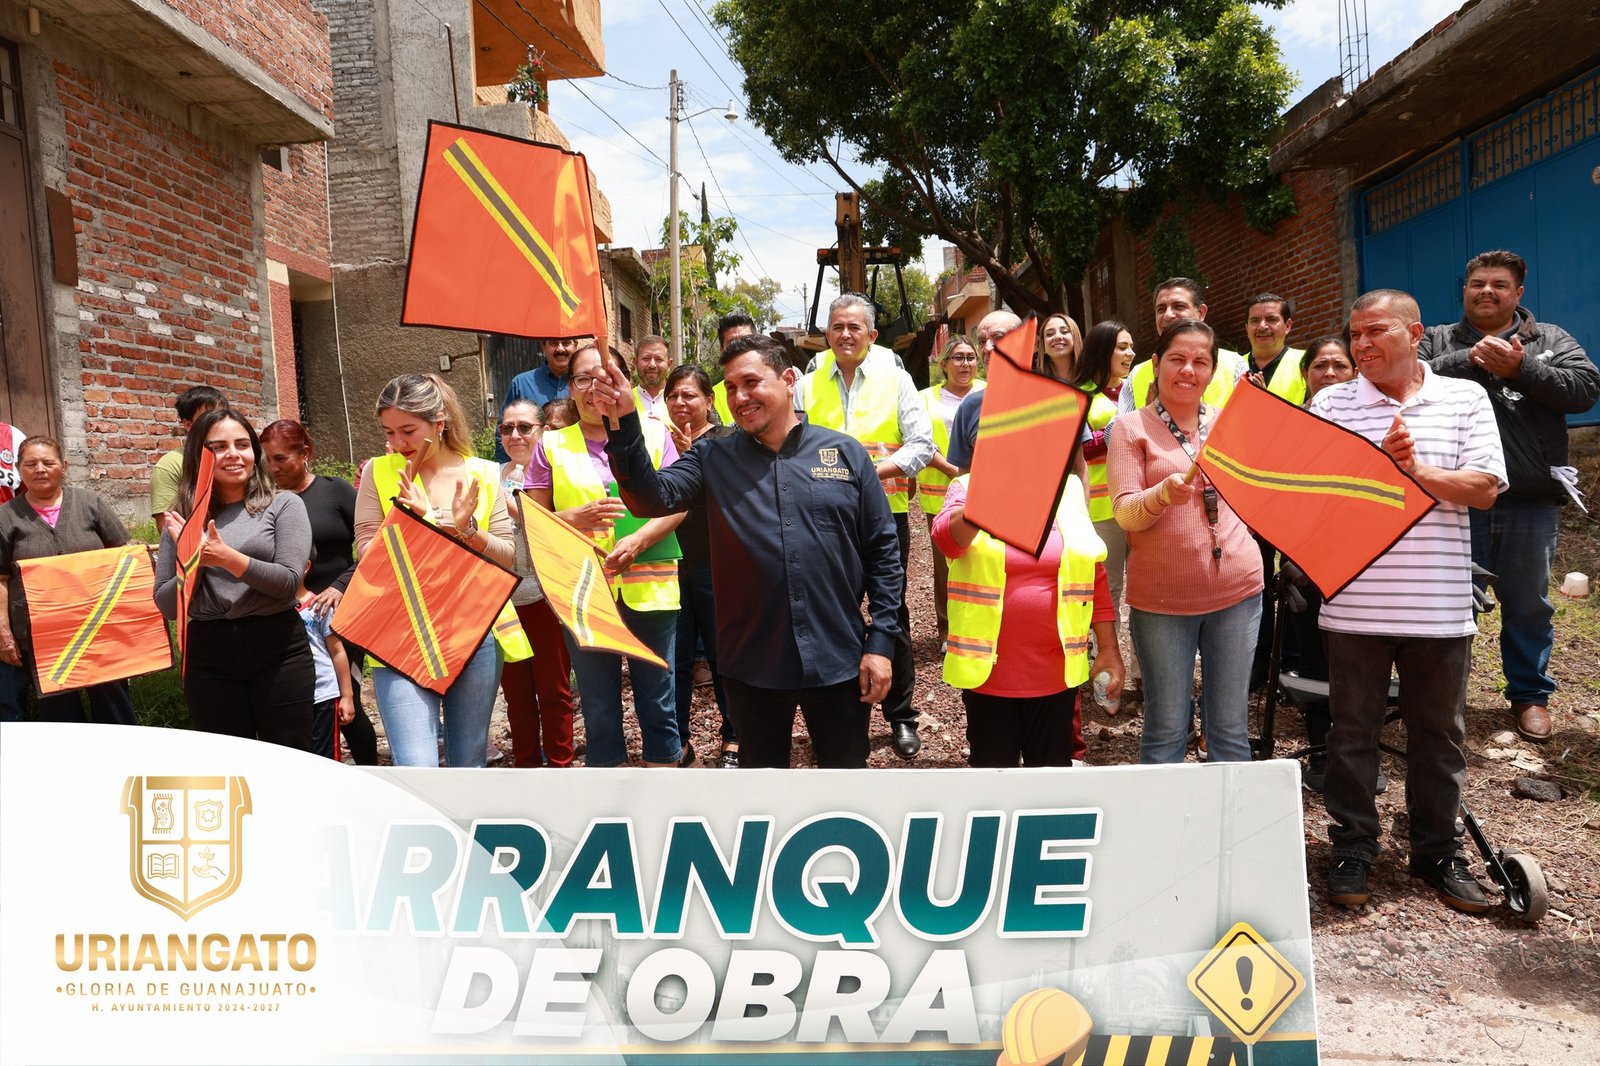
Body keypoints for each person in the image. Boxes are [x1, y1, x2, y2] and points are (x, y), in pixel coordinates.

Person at [596, 334, 902, 769]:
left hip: (839, 658)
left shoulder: (844, 453)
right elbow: (649, 499)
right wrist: (623, 420)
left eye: (751, 382)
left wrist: (882, 641)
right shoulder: (712, 456)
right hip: (752, 664)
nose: (739, 397)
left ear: (789, 379)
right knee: (762, 794)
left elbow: (883, 551)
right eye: (730, 388)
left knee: (845, 784)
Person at [1310, 289, 1506, 912]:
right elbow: (1313, 496)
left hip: (1440, 606)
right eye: (1354, 334)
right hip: (1354, 604)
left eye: (1375, 332)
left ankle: (1438, 853)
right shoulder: (1331, 403)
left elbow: (1483, 488)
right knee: (1351, 735)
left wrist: (1415, 473)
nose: (1361, 345)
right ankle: (1352, 848)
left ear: (1415, 331)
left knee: (1440, 736)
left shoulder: (1464, 396)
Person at [1421, 250, 1600, 743]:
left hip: (1529, 499)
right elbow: (1408, 380)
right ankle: (1443, 699)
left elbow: (1586, 389)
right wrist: (1468, 359)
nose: (1486, 291)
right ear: (1464, 289)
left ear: (1518, 294)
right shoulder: (1438, 340)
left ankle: (1530, 696)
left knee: (1528, 605)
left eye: (1499, 284)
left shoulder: (1550, 339)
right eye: (1477, 283)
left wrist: (1524, 368)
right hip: (1453, 499)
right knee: (1451, 604)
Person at [1108, 320, 1263, 765]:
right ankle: (1166, 833)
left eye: (1200, 361)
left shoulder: (1228, 423)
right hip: (1163, 602)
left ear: (1212, 372)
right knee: (1166, 729)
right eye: (1177, 359)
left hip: (1237, 593)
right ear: (1155, 364)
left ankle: (1232, 833)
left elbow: (1252, 495)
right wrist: (1161, 495)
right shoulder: (1130, 428)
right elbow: (1124, 513)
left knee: (1230, 730)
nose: (1188, 370)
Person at [526, 346, 685, 768]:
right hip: (583, 590)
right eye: (582, 379)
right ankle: (610, 801)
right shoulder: (552, 446)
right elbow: (535, 519)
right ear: (570, 388)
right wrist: (574, 517)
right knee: (597, 705)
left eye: (604, 377)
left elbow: (679, 503)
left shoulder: (654, 433)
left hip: (649, 585)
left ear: (623, 383)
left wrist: (638, 542)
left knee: (658, 697)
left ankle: (664, 785)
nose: (594, 388)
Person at [355, 373, 520, 768]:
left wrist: (467, 530)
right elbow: (365, 552)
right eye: (389, 432)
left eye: (408, 430)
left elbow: (507, 557)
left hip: (473, 629)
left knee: (468, 764)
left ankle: (463, 833)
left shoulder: (482, 472)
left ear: (439, 422)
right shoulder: (378, 472)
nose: (398, 443)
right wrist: (405, 522)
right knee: (416, 769)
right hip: (400, 632)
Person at [797, 293, 934, 758]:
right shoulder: (807, 386)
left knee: (890, 612)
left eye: (855, 327)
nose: (845, 334)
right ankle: (837, 718)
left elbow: (920, 444)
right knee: (828, 613)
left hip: (884, 515)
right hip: (821, 520)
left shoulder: (897, 381)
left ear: (872, 335)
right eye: (837, 327)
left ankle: (901, 717)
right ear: (827, 334)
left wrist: (874, 472)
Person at [933, 471, 1121, 766]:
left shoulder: (1068, 489)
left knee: (1048, 784)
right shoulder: (970, 486)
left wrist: (1109, 648)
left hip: (1055, 676)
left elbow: (1092, 571)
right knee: (994, 781)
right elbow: (947, 539)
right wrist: (985, 501)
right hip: (989, 676)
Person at [155, 409, 315, 748]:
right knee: (229, 766)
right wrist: (192, 561)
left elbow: (288, 583)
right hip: (208, 653)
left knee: (289, 759)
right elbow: (168, 606)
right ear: (199, 454)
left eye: (242, 444)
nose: (233, 454)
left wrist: (226, 558)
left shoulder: (283, 505)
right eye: (218, 446)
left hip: (278, 647)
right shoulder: (181, 519)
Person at [259, 419, 379, 765]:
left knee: (347, 701)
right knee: (300, 705)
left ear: (306, 453)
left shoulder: (335, 492)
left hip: (339, 617)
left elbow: (378, 546)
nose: (273, 468)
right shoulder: (267, 502)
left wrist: (340, 586)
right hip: (288, 617)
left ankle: (372, 777)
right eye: (267, 459)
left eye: (281, 458)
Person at [0, 437, 139, 725]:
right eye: (31, 463)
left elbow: (125, 556)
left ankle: (122, 763)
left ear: (63, 466)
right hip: (40, 633)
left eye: (48, 462)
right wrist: (4, 631)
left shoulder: (90, 503)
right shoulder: (5, 517)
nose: (40, 469)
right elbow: (1, 579)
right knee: (59, 715)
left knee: (114, 705)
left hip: (98, 626)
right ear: (18, 469)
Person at [1284, 336, 1357, 790]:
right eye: (1319, 366)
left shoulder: (1372, 419)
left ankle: (1359, 759)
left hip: (1364, 564)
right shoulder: (1290, 425)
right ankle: (1320, 756)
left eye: (1339, 365)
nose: (1329, 373)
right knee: (1313, 660)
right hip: (1307, 562)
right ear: (1305, 373)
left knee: (1359, 663)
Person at [663, 364, 738, 766]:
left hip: (717, 564)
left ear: (709, 401)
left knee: (722, 652)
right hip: (669, 563)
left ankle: (734, 737)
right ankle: (679, 742)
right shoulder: (657, 440)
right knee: (674, 659)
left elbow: (729, 492)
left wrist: (691, 451)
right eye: (673, 395)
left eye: (689, 395)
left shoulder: (728, 439)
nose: (680, 402)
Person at [496, 399, 575, 768]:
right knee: (516, 695)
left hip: (547, 595)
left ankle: (560, 766)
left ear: (542, 430)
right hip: (503, 601)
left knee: (554, 691)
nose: (515, 434)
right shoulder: (489, 476)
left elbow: (556, 526)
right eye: (507, 427)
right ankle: (526, 767)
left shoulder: (557, 473)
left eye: (524, 427)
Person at [1071, 321, 1140, 695]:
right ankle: (1104, 683)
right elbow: (1074, 449)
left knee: (1146, 595)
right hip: (1100, 510)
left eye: (1132, 348)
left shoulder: (1139, 390)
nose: (1130, 355)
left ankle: (1144, 679)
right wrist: (1111, 433)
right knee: (1105, 597)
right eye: (1122, 347)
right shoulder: (1077, 394)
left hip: (1142, 506)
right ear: (1102, 350)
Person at [917, 335, 984, 644]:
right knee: (945, 565)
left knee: (983, 560)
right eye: (957, 357)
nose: (965, 363)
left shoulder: (988, 392)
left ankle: (981, 626)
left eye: (970, 357)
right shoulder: (925, 399)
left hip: (985, 489)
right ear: (943, 364)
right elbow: (920, 441)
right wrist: (952, 470)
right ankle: (947, 630)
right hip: (940, 494)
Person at [1118, 279, 1246, 414]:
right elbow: (1114, 432)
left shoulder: (1234, 365)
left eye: (1178, 306)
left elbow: (1253, 423)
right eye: (1161, 309)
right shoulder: (1137, 375)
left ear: (1201, 312)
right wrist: (1146, 419)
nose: (1167, 315)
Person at [295, 553, 355, 758]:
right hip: (291, 696)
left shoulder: (319, 606)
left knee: (325, 757)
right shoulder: (270, 608)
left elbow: (337, 651)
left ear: (306, 566)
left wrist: (347, 696)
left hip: (323, 694)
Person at [499, 336, 583, 461]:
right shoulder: (521, 383)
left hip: (577, 467)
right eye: (554, 343)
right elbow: (503, 431)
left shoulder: (584, 384)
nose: (560, 349)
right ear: (543, 346)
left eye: (566, 343)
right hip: (531, 471)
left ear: (575, 345)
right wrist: (508, 472)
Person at [150, 386, 227, 514]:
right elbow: (168, 527)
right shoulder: (170, 465)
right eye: (209, 416)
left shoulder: (236, 457)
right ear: (188, 424)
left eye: (223, 415)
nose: (219, 422)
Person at [0, 420, 25, 722]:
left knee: (7, 633)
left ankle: (12, 723)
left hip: (6, 552)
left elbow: (30, 490)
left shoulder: (11, 436)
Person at [1240, 293, 1306, 403]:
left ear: (1287, 326)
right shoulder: (1232, 365)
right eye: (1254, 320)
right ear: (1247, 329)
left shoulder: (1306, 362)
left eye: (1271, 319)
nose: (1262, 326)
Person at [711, 312, 758, 425]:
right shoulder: (713, 398)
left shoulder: (779, 377)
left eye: (746, 340)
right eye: (732, 344)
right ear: (722, 351)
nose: (740, 348)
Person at [633, 335, 673, 422]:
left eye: (659, 359)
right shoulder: (625, 401)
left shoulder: (680, 402)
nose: (652, 365)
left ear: (669, 364)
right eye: (646, 358)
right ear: (635, 362)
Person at [1037, 312, 1082, 382]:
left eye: (1064, 331)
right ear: (1043, 344)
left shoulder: (1094, 376)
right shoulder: (1033, 382)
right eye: (1050, 334)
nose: (1057, 336)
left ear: (1075, 338)